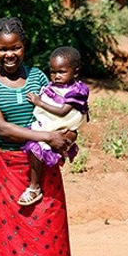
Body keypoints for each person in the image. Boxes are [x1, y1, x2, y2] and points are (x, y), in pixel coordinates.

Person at [0, 17, 76, 256]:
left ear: (24, 47)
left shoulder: (40, 77)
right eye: (3, 49)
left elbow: (58, 113)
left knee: (46, 228)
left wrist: (67, 135)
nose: (9, 55)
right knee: (6, 236)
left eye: (15, 48)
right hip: (6, 169)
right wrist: (47, 138)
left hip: (41, 167)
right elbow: (2, 127)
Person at [18, 47, 90, 206]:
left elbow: (63, 111)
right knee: (37, 143)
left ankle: (34, 186)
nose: (56, 76)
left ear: (75, 72)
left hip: (62, 122)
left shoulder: (77, 90)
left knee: (39, 145)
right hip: (53, 122)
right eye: (53, 72)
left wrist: (39, 102)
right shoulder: (56, 86)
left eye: (62, 72)